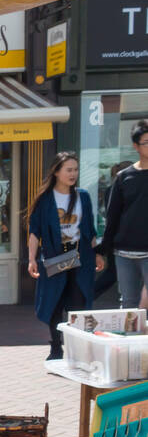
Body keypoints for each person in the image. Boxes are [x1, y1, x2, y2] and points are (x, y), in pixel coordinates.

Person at [26, 153, 102, 360]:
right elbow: (35, 231)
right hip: (55, 256)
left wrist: (96, 254)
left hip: (80, 255)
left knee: (78, 303)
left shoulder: (83, 196)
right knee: (54, 302)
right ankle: (56, 347)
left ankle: (77, 349)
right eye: (68, 170)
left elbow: (89, 229)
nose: (73, 174)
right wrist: (32, 259)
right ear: (56, 172)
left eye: (76, 170)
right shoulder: (45, 199)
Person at [101, 119, 148, 309]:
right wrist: (105, 248)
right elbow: (113, 215)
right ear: (136, 146)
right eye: (146, 142)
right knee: (128, 302)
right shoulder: (124, 177)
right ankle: (129, 339)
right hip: (124, 252)